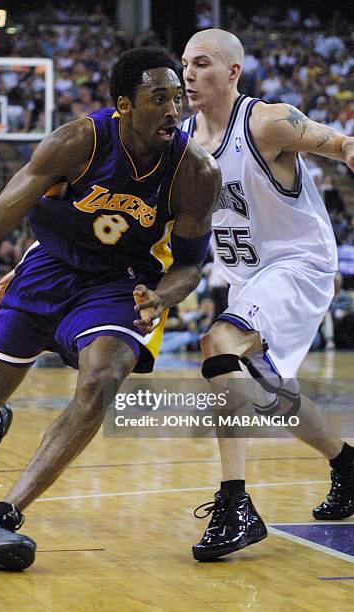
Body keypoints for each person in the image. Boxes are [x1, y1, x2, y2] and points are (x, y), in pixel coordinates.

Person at [0, 48, 221, 571]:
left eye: (177, 99)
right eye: (158, 99)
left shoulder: (196, 173)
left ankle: (2, 517)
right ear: (123, 105)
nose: (173, 110)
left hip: (118, 283)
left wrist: (163, 296)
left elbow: (189, 265)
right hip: (47, 269)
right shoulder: (78, 143)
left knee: (101, 382)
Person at [180, 29, 354, 561]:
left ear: (232, 72)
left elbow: (338, 142)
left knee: (218, 344)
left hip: (298, 263)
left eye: (202, 63)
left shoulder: (266, 122)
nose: (188, 73)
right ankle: (347, 463)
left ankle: (236, 503)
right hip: (246, 277)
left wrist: (350, 149)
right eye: (185, 63)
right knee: (270, 391)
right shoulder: (180, 140)